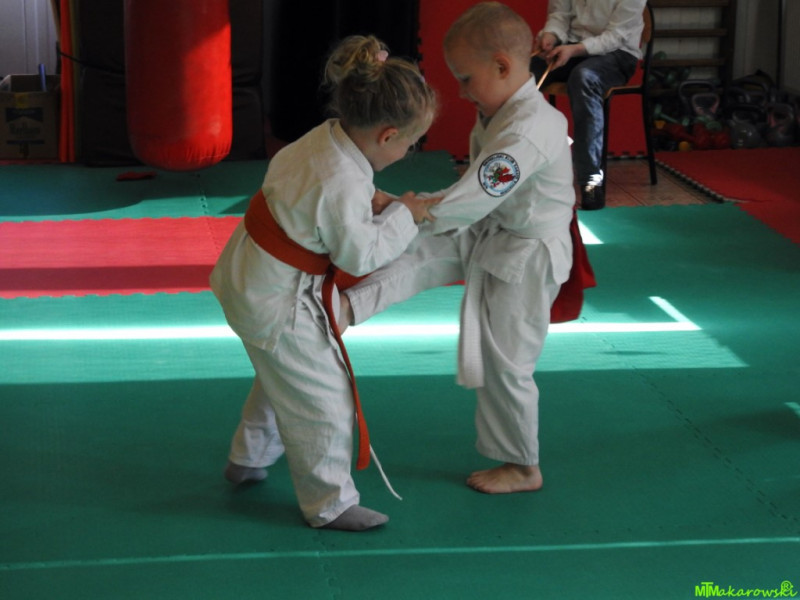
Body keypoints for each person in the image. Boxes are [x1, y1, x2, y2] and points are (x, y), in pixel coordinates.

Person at [341, 2, 585, 495]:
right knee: (417, 251)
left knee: (506, 361)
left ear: (502, 66)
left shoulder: (527, 130)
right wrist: (406, 208)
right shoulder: (501, 110)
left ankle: (524, 466)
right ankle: (344, 307)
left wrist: (410, 210)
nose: (460, 91)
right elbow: (472, 193)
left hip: (526, 255)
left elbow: (475, 197)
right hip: (494, 227)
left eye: (466, 79)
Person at [210, 35, 439, 531]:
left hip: (246, 277)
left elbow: (327, 197)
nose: (409, 151)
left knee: (282, 375)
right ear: (388, 135)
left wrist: (378, 201)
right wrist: (405, 215)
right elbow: (360, 254)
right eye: (410, 143)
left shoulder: (326, 138)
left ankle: (248, 458)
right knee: (324, 399)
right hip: (279, 302)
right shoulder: (341, 180)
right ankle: (329, 503)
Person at [531, 0, 646, 210]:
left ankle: (590, 182)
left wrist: (574, 50)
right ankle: (517, 166)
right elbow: (560, 14)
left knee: (584, 79)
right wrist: (551, 35)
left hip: (617, 53)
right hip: (572, 46)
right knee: (524, 73)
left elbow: (616, 36)